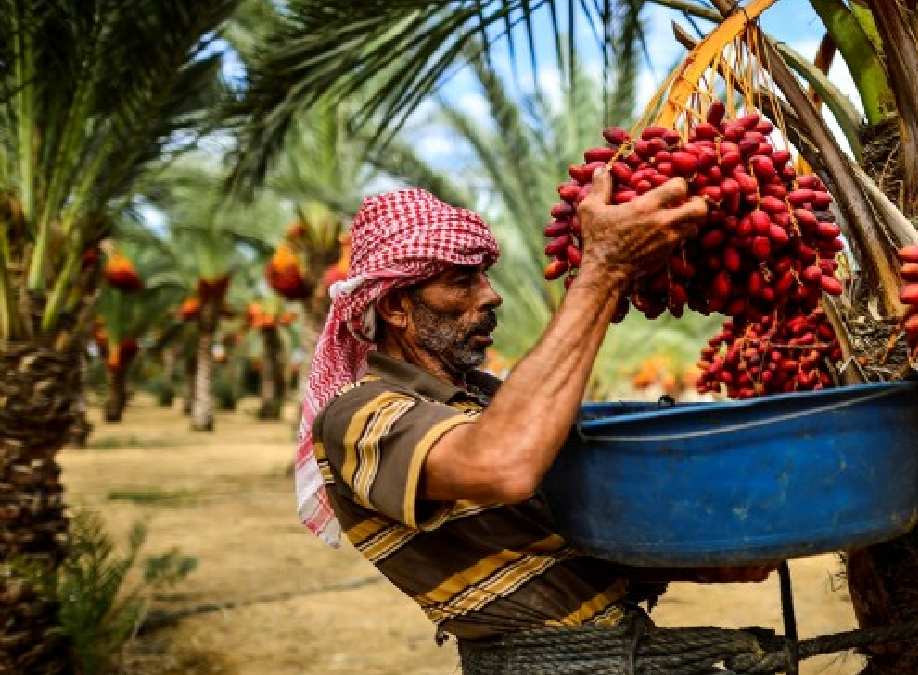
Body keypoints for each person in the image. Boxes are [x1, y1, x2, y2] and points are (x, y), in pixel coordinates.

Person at [294, 168, 783, 674]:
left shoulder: (485, 403)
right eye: (461, 282)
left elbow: (556, 543)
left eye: (484, 276)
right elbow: (501, 466)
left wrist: (708, 553)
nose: (490, 296)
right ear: (397, 307)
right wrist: (603, 269)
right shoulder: (357, 416)